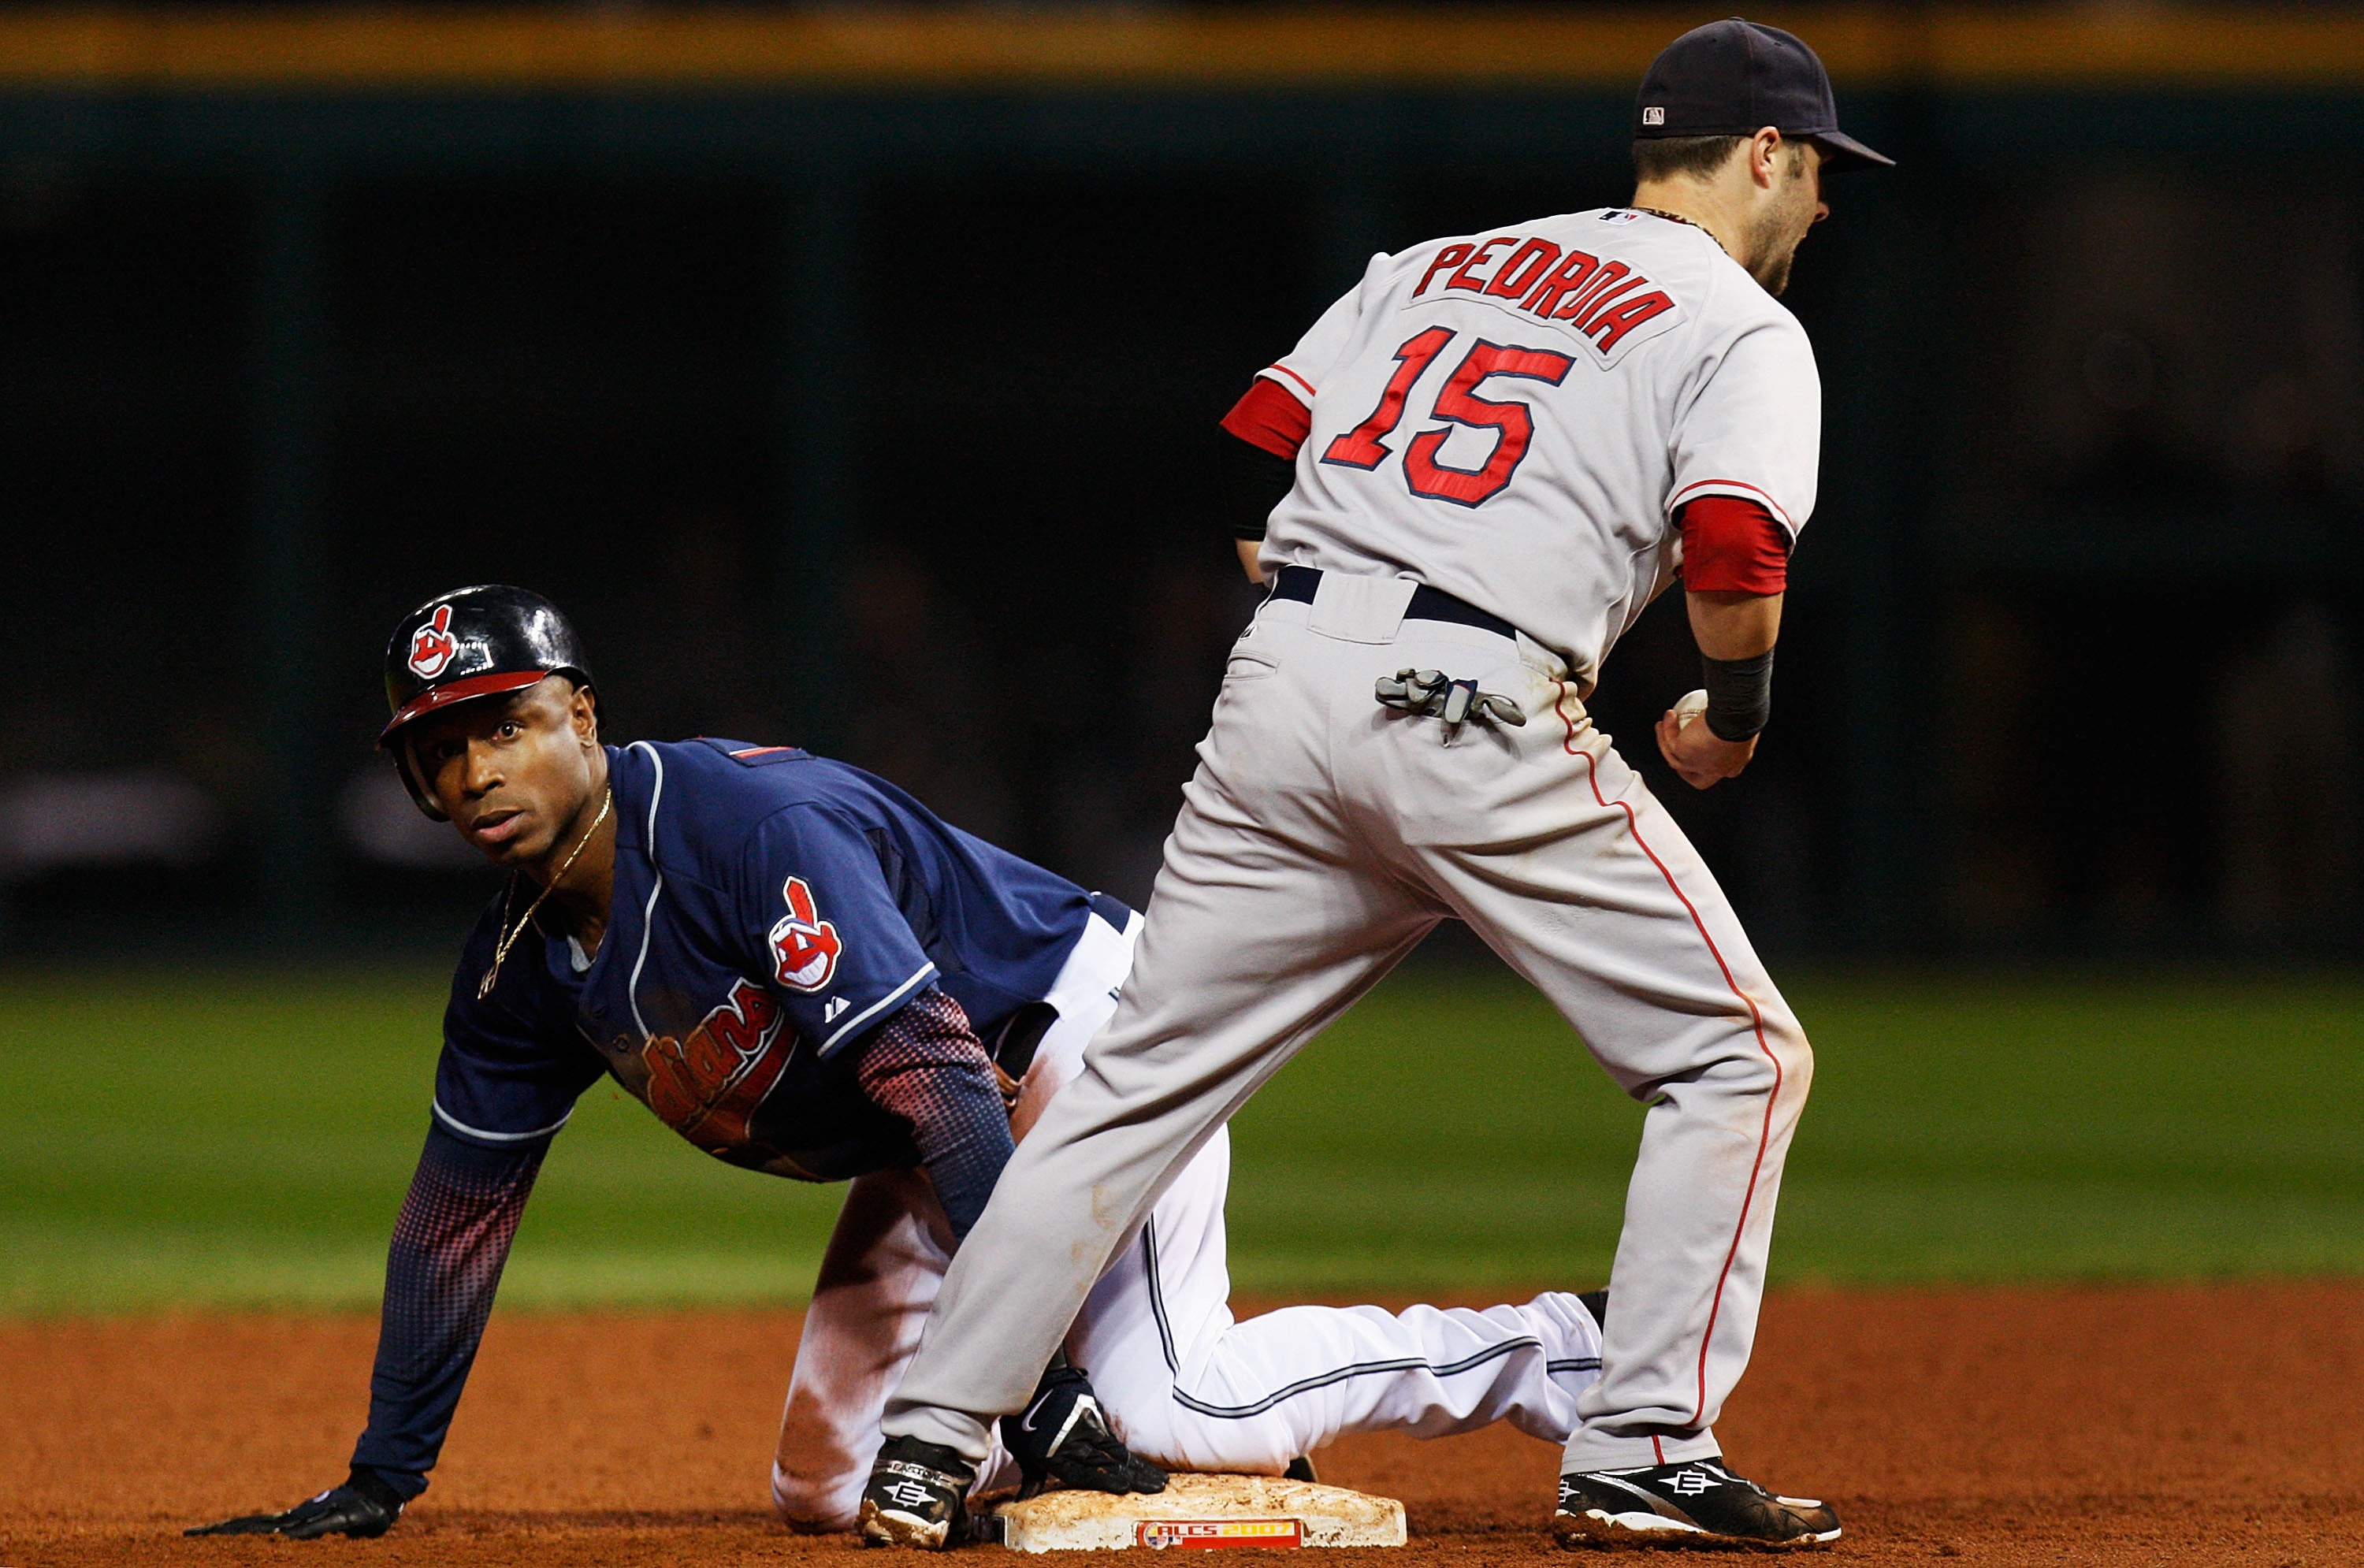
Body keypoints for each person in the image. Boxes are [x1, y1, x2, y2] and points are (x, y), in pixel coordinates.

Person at [866, 18, 1888, 1554]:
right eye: (1817, 173)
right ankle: (1642, 1442)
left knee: (1138, 1079)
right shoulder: (1741, 324)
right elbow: (1737, 555)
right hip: (1473, 695)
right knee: (1736, 1056)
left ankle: (929, 1443)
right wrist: (1727, 715)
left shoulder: (1436, 261)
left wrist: (1333, 616)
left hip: (1279, 677)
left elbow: (1248, 459)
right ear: (1765, 155)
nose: (1823, 205)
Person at [188, 584, 1608, 1548]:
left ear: (581, 713)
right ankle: (1084, 1428)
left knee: (1179, 1398)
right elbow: (456, 1216)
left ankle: (1558, 1349)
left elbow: (935, 1068)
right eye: (440, 749)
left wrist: (1027, 1371)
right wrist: (386, 1469)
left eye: (503, 723)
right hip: (938, 1128)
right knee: (830, 1486)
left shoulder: (748, 830)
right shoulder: (515, 973)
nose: (475, 770)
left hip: (1082, 1036)